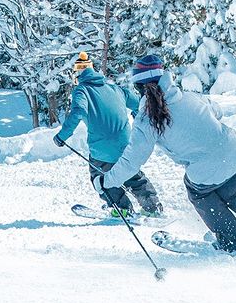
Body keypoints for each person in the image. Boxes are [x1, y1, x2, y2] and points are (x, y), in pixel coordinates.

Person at [100, 53, 236, 254]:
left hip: (209, 167)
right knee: (231, 191)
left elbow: (132, 161)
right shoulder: (189, 97)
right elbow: (217, 111)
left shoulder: (146, 120)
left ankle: (235, 242)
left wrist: (107, 181)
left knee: (198, 192)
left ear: (139, 87)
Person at [54, 52, 163, 219]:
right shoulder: (115, 89)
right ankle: (152, 206)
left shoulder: (81, 90)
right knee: (131, 174)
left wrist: (62, 135)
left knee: (100, 178)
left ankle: (122, 208)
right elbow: (140, 104)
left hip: (101, 148)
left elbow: (78, 111)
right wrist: (138, 117)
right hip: (125, 144)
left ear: (77, 74)